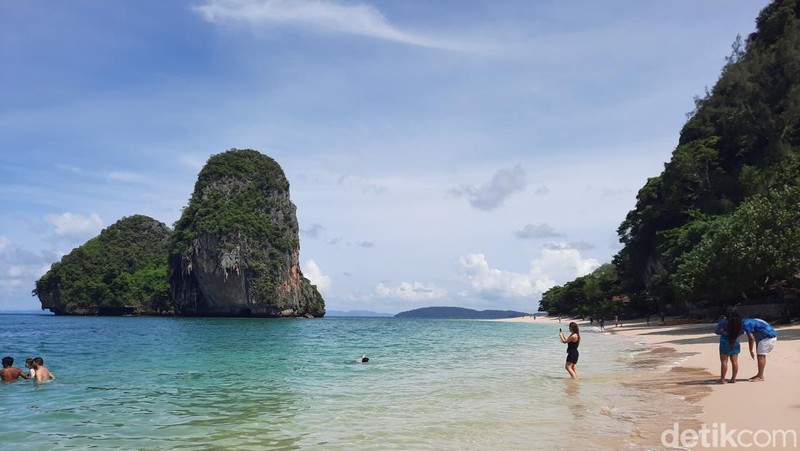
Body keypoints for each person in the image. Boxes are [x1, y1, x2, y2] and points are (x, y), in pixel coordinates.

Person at [714, 310, 743, 384]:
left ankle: (722, 379)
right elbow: (741, 332)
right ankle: (733, 379)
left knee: (724, 361)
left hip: (725, 342)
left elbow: (717, 331)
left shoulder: (723, 321)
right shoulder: (738, 322)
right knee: (735, 361)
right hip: (735, 341)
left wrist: (725, 332)